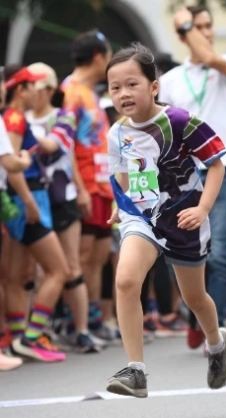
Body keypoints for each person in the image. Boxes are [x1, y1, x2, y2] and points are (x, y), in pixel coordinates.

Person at [104, 43, 226, 398]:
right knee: (127, 280)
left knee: (194, 297)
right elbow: (122, 175)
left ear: (153, 86)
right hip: (141, 218)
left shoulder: (179, 121)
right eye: (115, 87)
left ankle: (216, 343)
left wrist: (203, 209)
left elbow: (217, 164)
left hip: (184, 217)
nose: (123, 93)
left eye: (132, 84)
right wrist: (121, 204)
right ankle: (136, 371)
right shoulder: (116, 133)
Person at [158, 5, 226, 345]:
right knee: (179, 251)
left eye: (208, 26)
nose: (206, 32)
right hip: (181, 175)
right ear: (183, 35)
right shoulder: (169, 81)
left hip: (223, 169)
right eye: (198, 27)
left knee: (219, 250)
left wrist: (186, 21)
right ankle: (195, 310)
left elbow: (210, 57)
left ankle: (214, 327)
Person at [26, 62, 99, 353]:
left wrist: (81, 190)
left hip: (63, 198)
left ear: (45, 89)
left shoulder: (63, 117)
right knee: (37, 272)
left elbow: (57, 148)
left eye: (31, 85)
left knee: (71, 267)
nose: (28, 91)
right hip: (34, 201)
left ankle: (81, 330)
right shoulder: (20, 118)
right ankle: (39, 332)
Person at [3, 66, 71, 363]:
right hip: (27, 199)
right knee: (59, 270)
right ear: (22, 90)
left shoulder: (13, 118)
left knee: (17, 275)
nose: (39, 92)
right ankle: (31, 338)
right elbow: (11, 166)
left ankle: (19, 337)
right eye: (34, 87)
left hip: (23, 199)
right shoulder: (15, 118)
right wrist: (29, 203)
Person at [61, 30, 116, 341]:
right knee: (81, 257)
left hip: (102, 184)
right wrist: (80, 187)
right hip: (84, 185)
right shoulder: (70, 92)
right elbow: (65, 144)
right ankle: (74, 321)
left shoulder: (91, 92)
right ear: (98, 57)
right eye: (107, 55)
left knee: (97, 256)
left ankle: (93, 315)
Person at [0, 69, 34, 371]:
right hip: (11, 199)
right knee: (12, 274)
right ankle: (18, 338)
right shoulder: (11, 119)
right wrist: (24, 160)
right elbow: (10, 162)